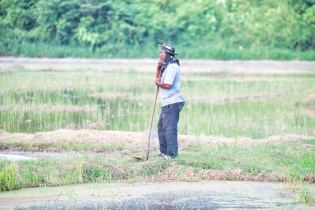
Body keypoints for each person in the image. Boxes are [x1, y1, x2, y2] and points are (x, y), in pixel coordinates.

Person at [155, 43, 185, 160]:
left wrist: (157, 83)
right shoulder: (167, 66)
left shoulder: (172, 67)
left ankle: (172, 154)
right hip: (167, 102)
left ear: (166, 54)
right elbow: (159, 79)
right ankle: (164, 152)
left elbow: (167, 84)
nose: (160, 54)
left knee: (169, 128)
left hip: (173, 102)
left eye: (161, 52)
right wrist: (158, 69)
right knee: (161, 127)